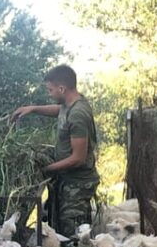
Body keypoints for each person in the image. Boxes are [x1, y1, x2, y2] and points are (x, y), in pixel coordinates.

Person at [11, 65, 99, 236]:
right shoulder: (70, 104)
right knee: (59, 232)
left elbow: (78, 158)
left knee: (74, 236)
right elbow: (60, 111)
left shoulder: (78, 114)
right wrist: (33, 109)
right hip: (66, 181)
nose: (49, 94)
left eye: (50, 90)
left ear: (62, 88)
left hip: (77, 186)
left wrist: (46, 170)